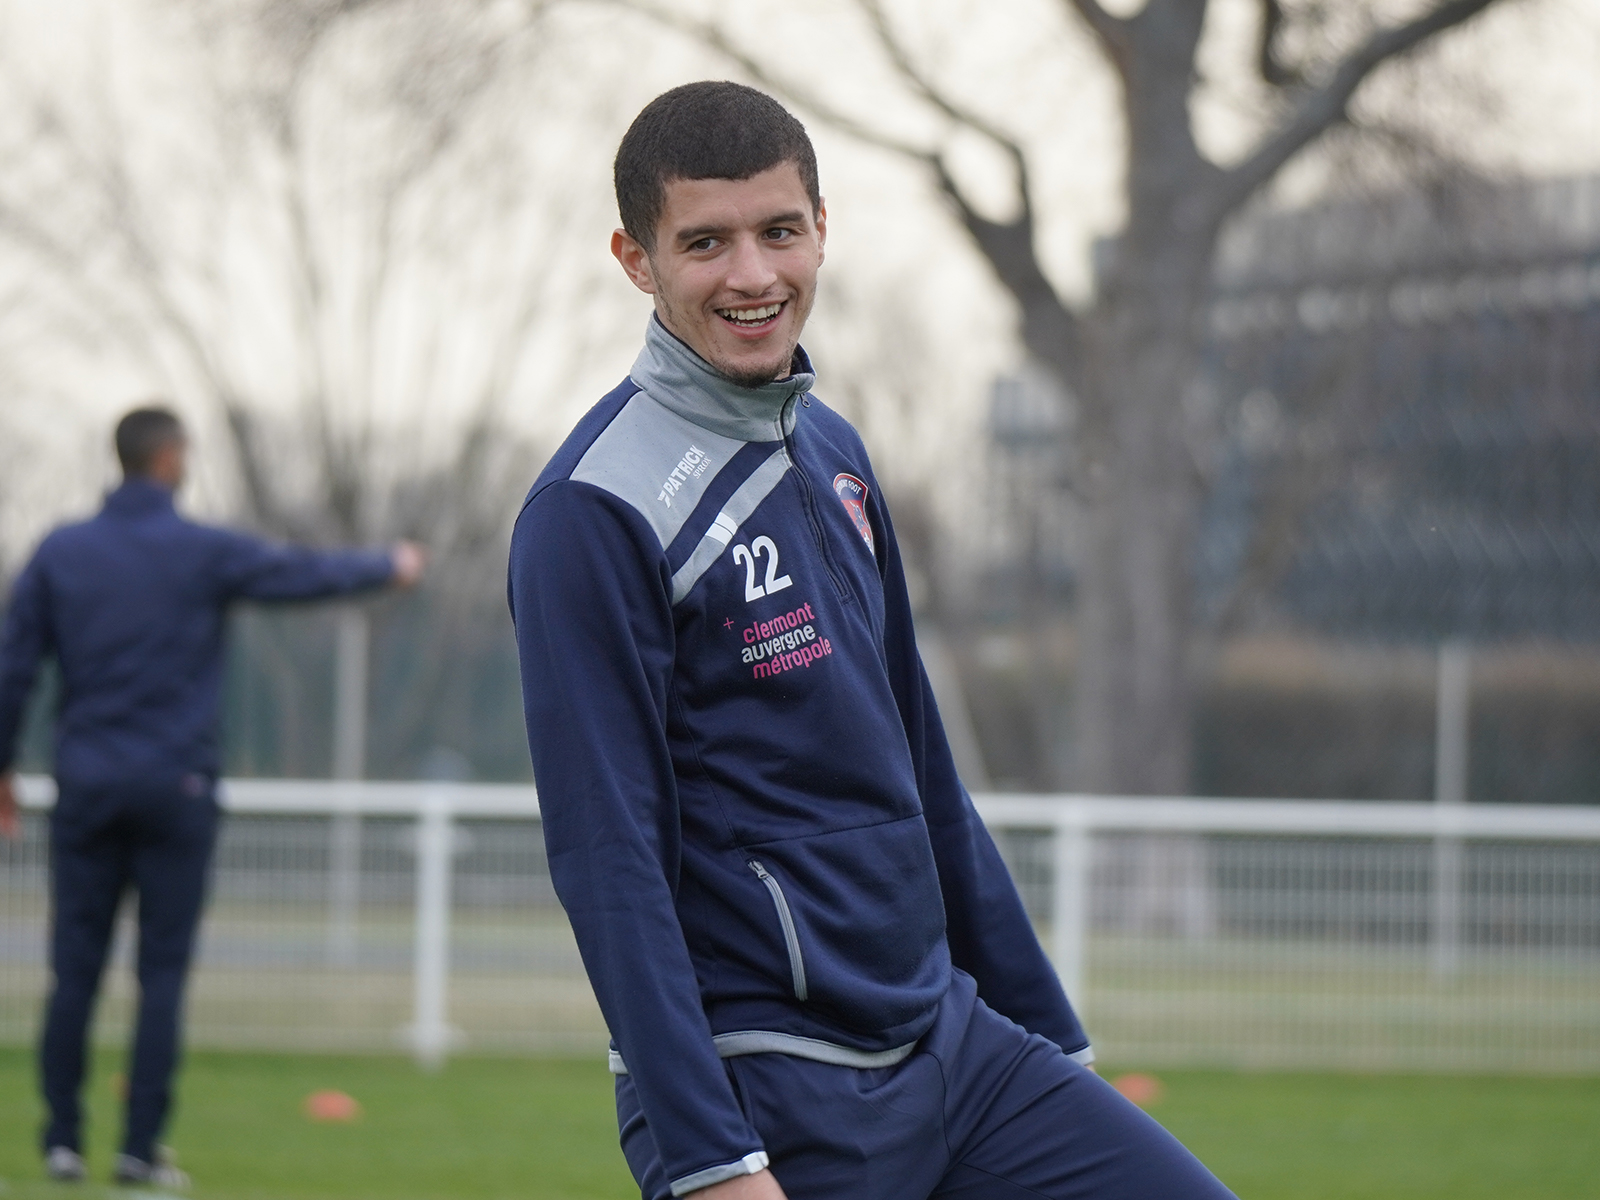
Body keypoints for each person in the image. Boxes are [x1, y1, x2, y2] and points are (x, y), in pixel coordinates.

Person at [509, 82, 1235, 1200]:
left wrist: (1049, 1039)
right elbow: (610, 860)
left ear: (821, 229)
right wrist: (710, 1159)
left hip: (956, 1047)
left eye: (778, 231)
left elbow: (924, 775)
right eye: (704, 242)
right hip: (774, 1084)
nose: (751, 275)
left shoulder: (832, 453)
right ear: (636, 258)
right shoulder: (593, 512)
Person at [0, 406, 426, 1188]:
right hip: (177, 788)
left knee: (73, 972)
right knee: (161, 975)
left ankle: (62, 1140)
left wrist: (1, 767)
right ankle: (137, 1150)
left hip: (88, 785)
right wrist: (387, 565)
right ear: (170, 460)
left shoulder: (61, 552)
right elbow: (299, 576)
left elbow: (14, 666)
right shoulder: (200, 550)